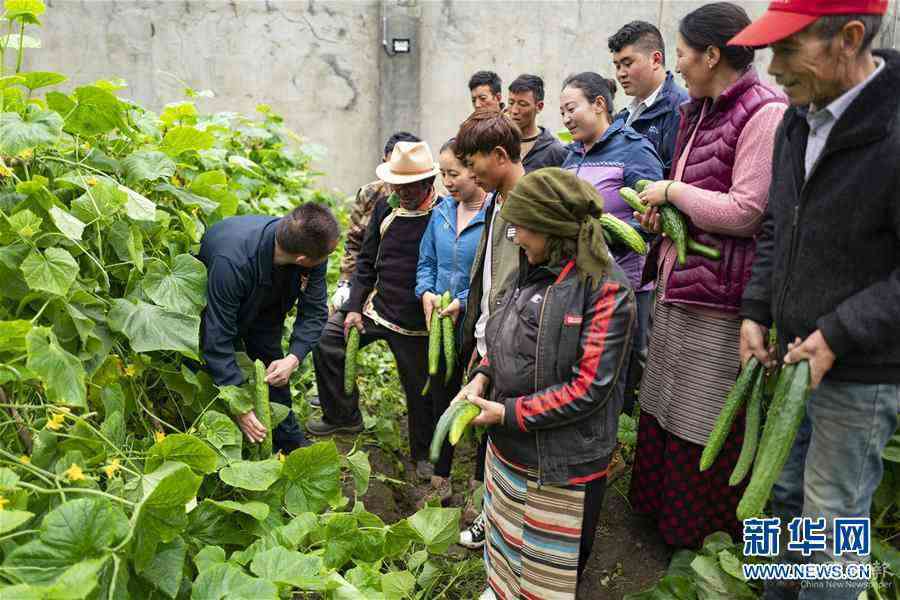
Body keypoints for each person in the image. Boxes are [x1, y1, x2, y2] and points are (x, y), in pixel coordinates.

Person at [732, 2, 898, 598]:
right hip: (797, 357)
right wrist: (756, 309)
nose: (772, 68)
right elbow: (779, 225)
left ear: (849, 37)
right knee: (783, 498)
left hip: (860, 369)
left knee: (832, 524)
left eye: (786, 49)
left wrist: (839, 332)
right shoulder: (797, 119)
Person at [628, 2, 787, 549]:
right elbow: (699, 195)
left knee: (701, 416)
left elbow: (747, 209)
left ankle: (697, 539)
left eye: (682, 56)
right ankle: (656, 520)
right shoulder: (699, 109)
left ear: (713, 54)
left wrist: (672, 192)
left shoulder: (763, 112)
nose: (679, 67)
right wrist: (662, 212)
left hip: (721, 298)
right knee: (665, 402)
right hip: (684, 283)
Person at [456, 168, 635, 600]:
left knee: (547, 573)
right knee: (505, 544)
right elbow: (504, 337)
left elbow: (589, 387)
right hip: (510, 451)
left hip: (561, 463)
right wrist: (483, 372)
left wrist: (509, 413)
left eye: (523, 229)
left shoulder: (607, 289)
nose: (516, 237)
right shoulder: (535, 267)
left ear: (552, 229)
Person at [307, 142, 442, 484]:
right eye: (399, 185)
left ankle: (423, 457)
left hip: (417, 324)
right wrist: (353, 307)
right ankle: (343, 415)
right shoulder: (385, 207)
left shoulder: (443, 213)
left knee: (421, 391)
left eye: (411, 186)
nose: (404, 192)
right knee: (328, 340)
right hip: (378, 309)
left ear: (428, 183)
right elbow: (367, 261)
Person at [559, 72, 664, 446]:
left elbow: (654, 219)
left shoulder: (633, 149)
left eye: (572, 109)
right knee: (588, 362)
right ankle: (592, 437)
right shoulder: (571, 153)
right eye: (562, 112)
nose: (566, 119)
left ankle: (618, 441)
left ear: (599, 104)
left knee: (622, 363)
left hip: (627, 282)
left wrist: (607, 247)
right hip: (581, 281)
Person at [198, 203, 340, 453]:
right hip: (217, 302)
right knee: (211, 368)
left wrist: (293, 358)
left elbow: (315, 311)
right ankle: (223, 441)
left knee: (273, 368)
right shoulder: (231, 262)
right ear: (302, 260)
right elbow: (216, 336)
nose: (326, 261)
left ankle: (290, 443)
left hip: (268, 304)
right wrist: (239, 405)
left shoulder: (309, 246)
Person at [453, 108, 526, 549]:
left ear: (498, 155)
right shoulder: (498, 198)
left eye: (473, 162)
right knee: (491, 440)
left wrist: (497, 350)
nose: (469, 172)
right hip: (489, 334)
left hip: (512, 341)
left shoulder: (530, 203)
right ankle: (493, 515)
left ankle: (503, 526)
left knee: (508, 438)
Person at [414, 138, 487, 506]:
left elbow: (492, 278)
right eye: (443, 173)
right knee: (442, 397)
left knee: (479, 400)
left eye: (453, 173)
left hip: (477, 326)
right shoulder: (441, 212)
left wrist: (461, 302)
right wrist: (425, 292)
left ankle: (479, 484)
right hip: (440, 324)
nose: (447, 181)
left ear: (475, 171)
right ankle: (441, 478)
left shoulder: (495, 214)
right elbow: (426, 262)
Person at [331, 131, 421, 312]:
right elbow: (355, 241)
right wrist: (345, 283)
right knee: (334, 325)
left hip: (409, 285)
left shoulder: (430, 200)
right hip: (368, 275)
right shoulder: (370, 194)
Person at [609, 20, 690, 174]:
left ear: (655, 60)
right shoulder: (623, 116)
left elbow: (676, 178)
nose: (621, 73)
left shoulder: (682, 109)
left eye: (628, 63)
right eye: (617, 66)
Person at [506, 74, 568, 172]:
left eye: (522, 104)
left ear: (539, 107)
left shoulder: (555, 152)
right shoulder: (501, 143)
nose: (514, 111)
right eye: (511, 103)